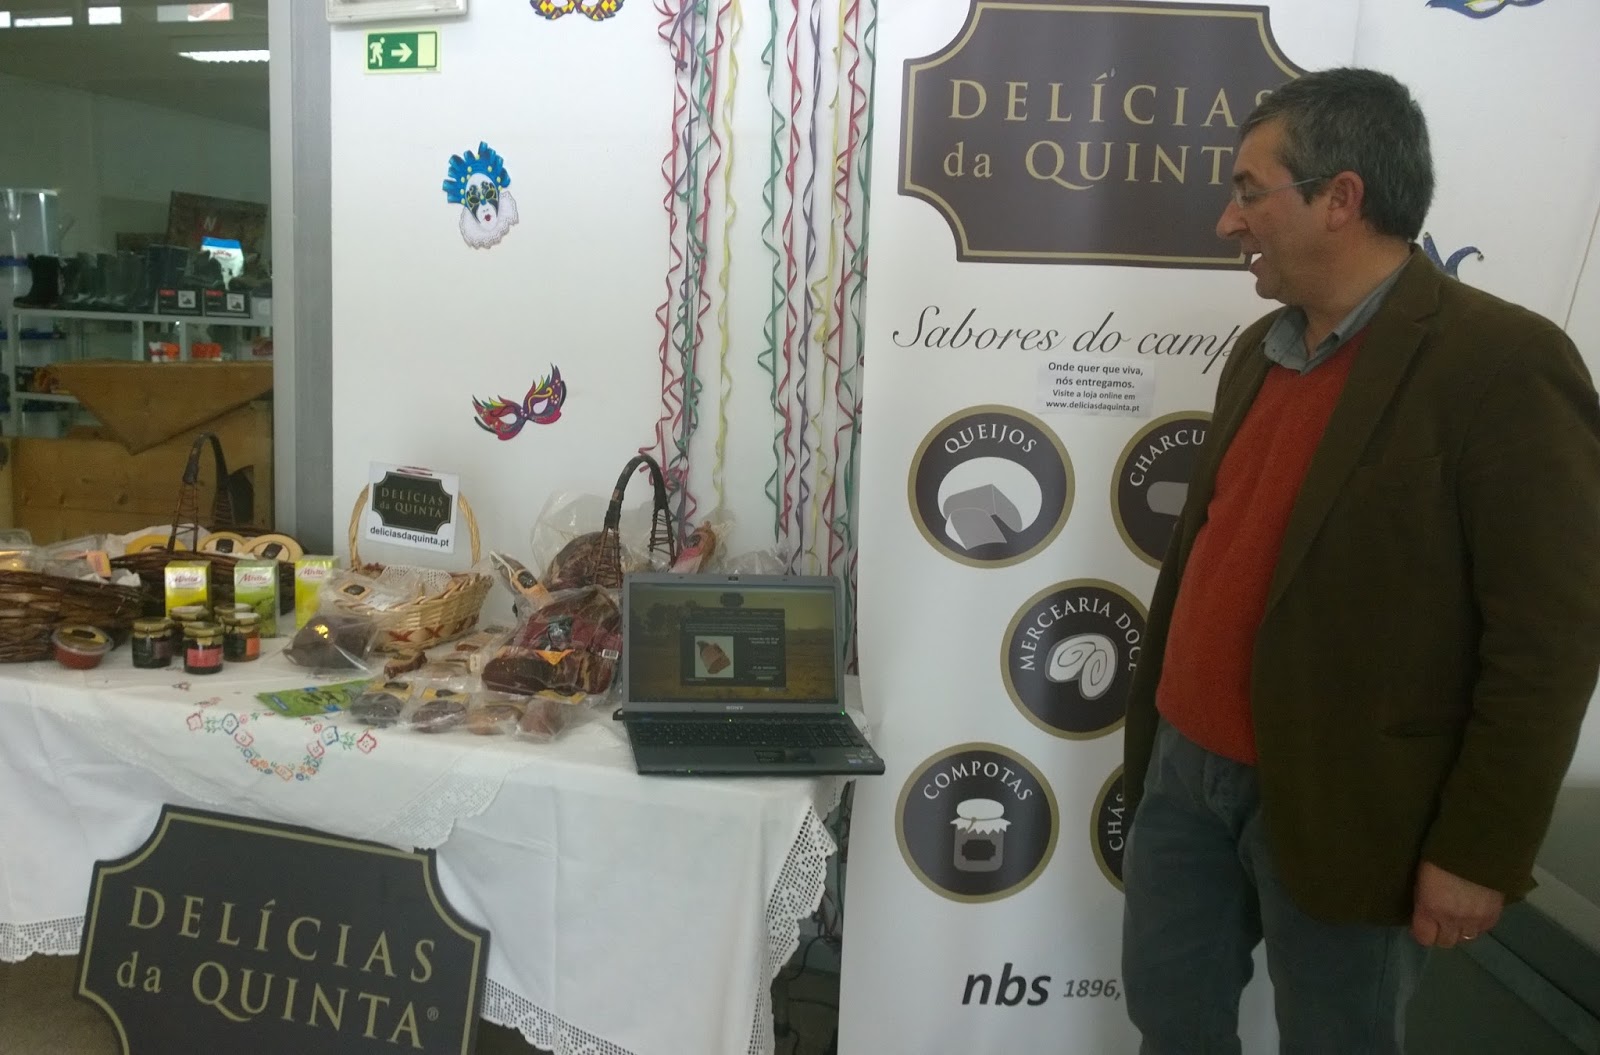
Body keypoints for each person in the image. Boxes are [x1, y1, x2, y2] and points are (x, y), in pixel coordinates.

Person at [1120, 67, 1600, 1054]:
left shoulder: (1502, 364)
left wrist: (1480, 850)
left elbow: (1549, 640)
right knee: (1169, 1022)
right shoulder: (1258, 350)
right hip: (1184, 775)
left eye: (1250, 190)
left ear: (1340, 197)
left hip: (1354, 802)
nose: (1227, 220)